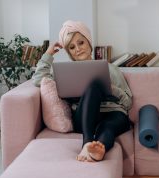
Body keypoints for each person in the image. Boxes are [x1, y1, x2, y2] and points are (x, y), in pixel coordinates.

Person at [32, 20, 132, 162]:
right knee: (93, 86)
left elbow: (128, 103)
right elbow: (39, 80)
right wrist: (48, 54)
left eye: (81, 43)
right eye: (72, 47)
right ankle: (87, 144)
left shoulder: (110, 68)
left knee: (107, 127)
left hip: (113, 114)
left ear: (89, 43)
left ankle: (98, 150)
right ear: (69, 52)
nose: (77, 49)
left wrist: (111, 89)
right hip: (85, 118)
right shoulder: (66, 72)